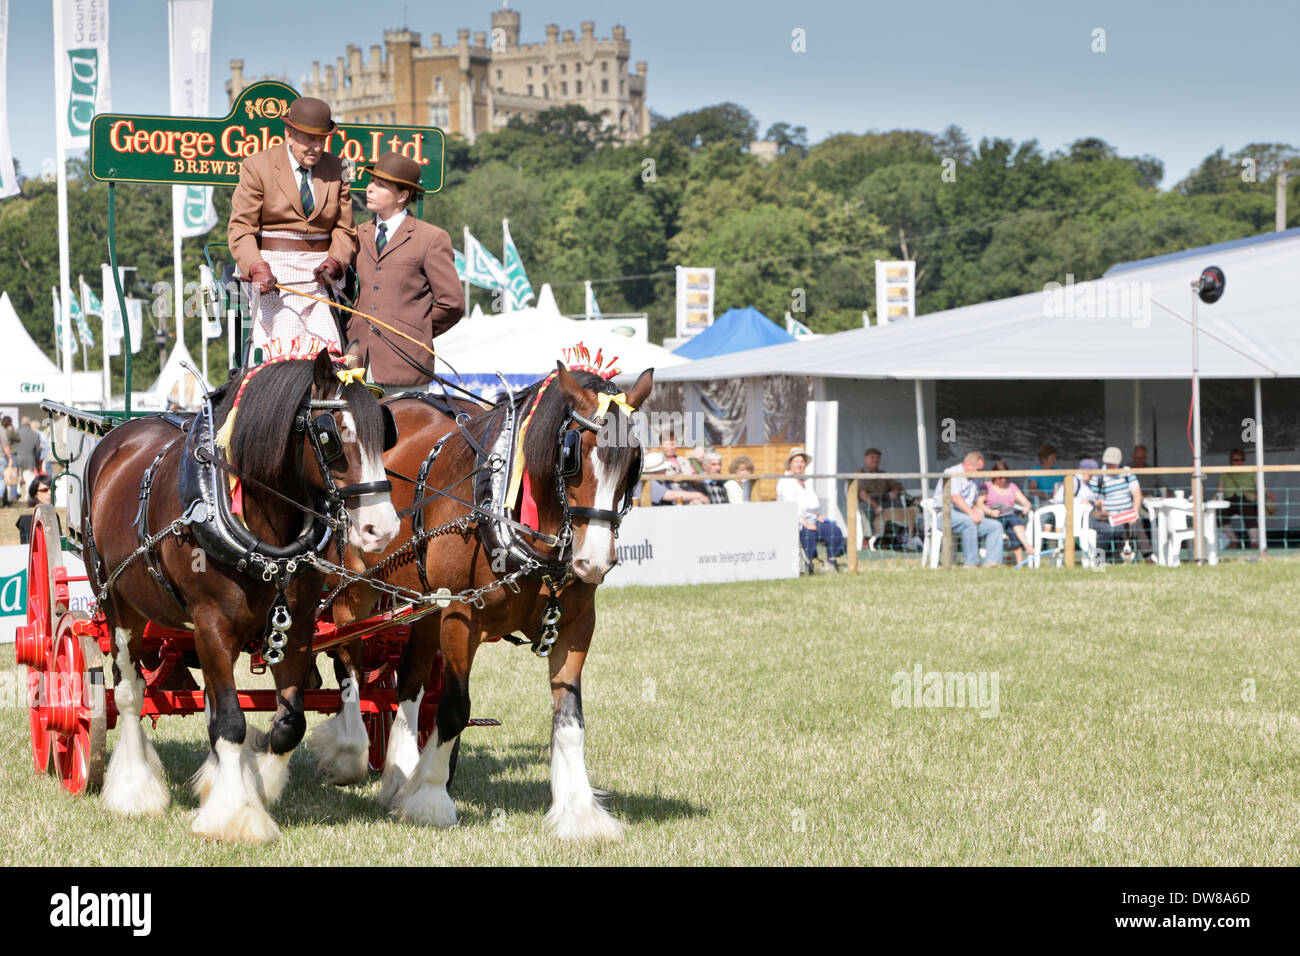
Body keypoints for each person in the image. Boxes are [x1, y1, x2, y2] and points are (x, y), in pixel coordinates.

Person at [228, 96, 358, 361]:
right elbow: (241, 228)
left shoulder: (340, 167)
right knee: (289, 341)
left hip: (321, 274)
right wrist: (256, 267)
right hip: (272, 271)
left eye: (322, 139)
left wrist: (335, 262)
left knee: (328, 349)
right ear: (289, 134)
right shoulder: (257, 165)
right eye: (309, 139)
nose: (316, 147)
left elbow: (345, 228)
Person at [347, 151, 464, 393]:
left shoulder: (431, 238)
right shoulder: (356, 234)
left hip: (405, 365)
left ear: (402, 195)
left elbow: (452, 303)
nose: (369, 188)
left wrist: (416, 328)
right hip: (355, 363)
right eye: (371, 182)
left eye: (380, 185)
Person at [776, 447, 846, 571]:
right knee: (808, 533)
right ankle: (809, 564)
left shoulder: (807, 481)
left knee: (833, 530)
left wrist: (818, 514)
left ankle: (831, 561)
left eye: (802, 461)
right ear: (790, 463)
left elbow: (812, 502)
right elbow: (789, 504)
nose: (799, 464)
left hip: (813, 519)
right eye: (796, 461)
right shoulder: (785, 481)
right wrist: (804, 521)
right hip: (794, 521)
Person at [939, 450, 1003, 567]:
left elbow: (974, 501)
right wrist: (972, 512)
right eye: (978, 470)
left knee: (995, 526)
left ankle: (992, 562)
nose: (980, 473)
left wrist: (986, 511)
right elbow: (955, 497)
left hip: (965, 515)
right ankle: (971, 563)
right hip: (945, 515)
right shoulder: (953, 473)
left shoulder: (975, 478)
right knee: (969, 522)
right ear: (968, 465)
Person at [1086, 447, 1142, 561]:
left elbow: (1137, 494)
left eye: (1112, 464)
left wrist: (1134, 511)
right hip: (1106, 517)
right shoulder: (1098, 476)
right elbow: (1092, 500)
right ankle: (1099, 561)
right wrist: (1099, 507)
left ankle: (1147, 556)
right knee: (1109, 530)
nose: (1109, 466)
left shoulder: (1127, 472)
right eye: (1108, 463)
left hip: (1125, 515)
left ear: (1119, 462)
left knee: (1137, 523)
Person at [857, 447, 917, 551]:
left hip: (885, 501)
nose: (875, 460)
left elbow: (898, 485)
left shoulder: (882, 474)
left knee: (899, 505)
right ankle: (867, 539)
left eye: (878, 458)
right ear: (866, 459)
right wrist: (876, 506)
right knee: (867, 509)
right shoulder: (860, 473)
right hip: (869, 502)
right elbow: (862, 494)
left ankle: (896, 538)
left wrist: (894, 491)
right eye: (872, 457)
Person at [1217, 446, 1276, 549]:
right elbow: (1219, 491)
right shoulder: (1225, 474)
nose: (1239, 462)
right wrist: (1218, 500)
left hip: (1246, 499)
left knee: (1249, 513)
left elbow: (1260, 485)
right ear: (1231, 461)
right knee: (1219, 515)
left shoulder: (1250, 471)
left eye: (1242, 460)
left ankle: (1253, 542)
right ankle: (1234, 541)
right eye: (1236, 460)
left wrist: (1268, 493)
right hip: (1229, 500)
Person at [978, 460, 1035, 565]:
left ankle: (1020, 564)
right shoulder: (987, 486)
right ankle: (1027, 545)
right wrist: (990, 512)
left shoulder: (1012, 487)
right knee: (1012, 517)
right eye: (1000, 477)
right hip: (994, 517)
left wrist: (1027, 507)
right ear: (994, 475)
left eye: (1005, 477)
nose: (1003, 480)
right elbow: (979, 503)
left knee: (1012, 526)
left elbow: (1026, 502)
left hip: (1010, 518)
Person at [639, 452, 708, 505]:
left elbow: (679, 492)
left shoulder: (664, 482)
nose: (666, 470)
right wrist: (699, 495)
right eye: (663, 469)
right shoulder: (646, 482)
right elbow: (671, 495)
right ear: (655, 472)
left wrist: (694, 500)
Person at [15, 474, 52, 546]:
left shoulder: (53, 514)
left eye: (52, 489)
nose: (50, 493)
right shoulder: (28, 517)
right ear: (35, 493)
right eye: (45, 490)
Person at [12, 417, 41, 490]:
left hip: (17, 459)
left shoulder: (15, 433)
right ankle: (28, 496)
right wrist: (37, 460)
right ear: (29, 424)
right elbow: (38, 450)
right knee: (29, 479)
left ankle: (17, 494)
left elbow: (12, 446)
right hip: (30, 460)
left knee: (17, 478)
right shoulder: (35, 434)